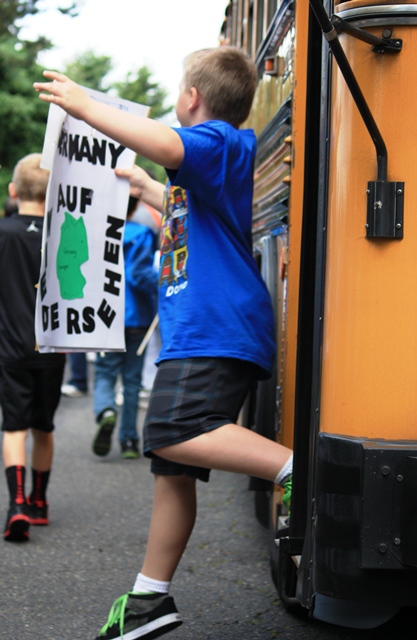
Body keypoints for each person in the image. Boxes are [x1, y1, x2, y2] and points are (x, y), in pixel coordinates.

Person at [34, 46, 294, 639]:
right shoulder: (203, 170)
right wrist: (145, 184)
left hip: (213, 326)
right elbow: (178, 204)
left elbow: (171, 145)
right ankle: (151, 600)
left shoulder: (219, 141)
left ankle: (295, 472)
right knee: (172, 465)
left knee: (176, 430)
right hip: (199, 328)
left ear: (190, 99)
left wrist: (83, 105)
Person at [0, 153, 66, 542]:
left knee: (14, 427)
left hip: (10, 348)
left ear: (13, 190)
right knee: (44, 427)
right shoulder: (64, 231)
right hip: (53, 347)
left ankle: (16, 505)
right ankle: (40, 504)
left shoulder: (3, 233)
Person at [92, 193, 158, 460]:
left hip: (104, 316)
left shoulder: (97, 233)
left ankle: (107, 410)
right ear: (136, 206)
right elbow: (139, 274)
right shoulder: (142, 233)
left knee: (105, 374)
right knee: (132, 382)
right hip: (138, 317)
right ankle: (129, 441)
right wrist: (164, 285)